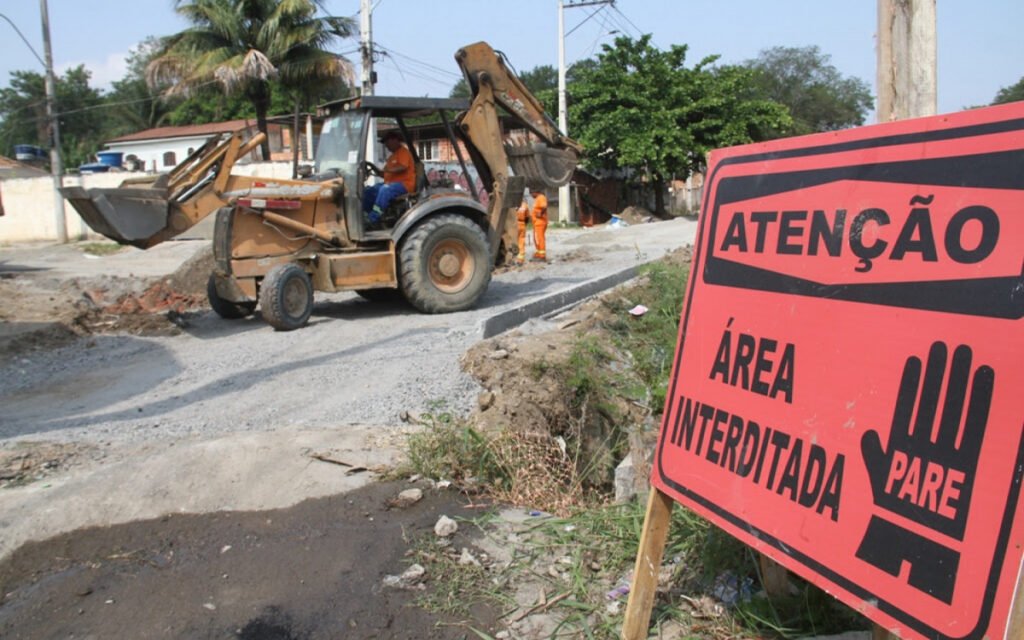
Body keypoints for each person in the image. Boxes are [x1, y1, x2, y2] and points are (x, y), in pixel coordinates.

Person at [363, 130, 416, 225]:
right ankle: (365, 214)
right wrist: (375, 169)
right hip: (390, 184)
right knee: (369, 191)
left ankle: (374, 218)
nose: (386, 146)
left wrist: (387, 170)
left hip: (404, 185)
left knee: (384, 190)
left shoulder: (403, 152)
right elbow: (383, 174)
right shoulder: (391, 158)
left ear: (395, 140)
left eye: (387, 142)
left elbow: (403, 167)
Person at [529, 187, 548, 261]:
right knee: (536, 238)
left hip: (540, 222)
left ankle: (542, 255)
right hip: (537, 222)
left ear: (535, 192)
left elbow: (544, 206)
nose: (531, 196)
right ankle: (538, 252)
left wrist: (541, 213)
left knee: (540, 238)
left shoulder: (541, 197)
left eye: (531, 194)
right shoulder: (537, 198)